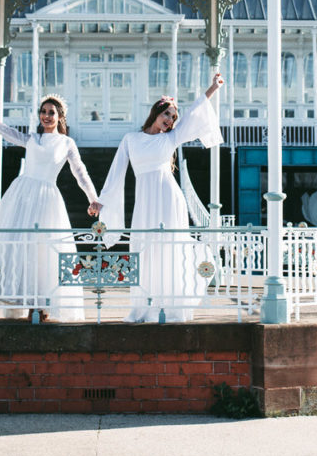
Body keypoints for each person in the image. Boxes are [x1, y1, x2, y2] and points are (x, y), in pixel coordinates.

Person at [96, 71, 224, 323]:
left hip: (168, 198)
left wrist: (212, 89)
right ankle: (144, 307)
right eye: (167, 114)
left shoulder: (172, 138)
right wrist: (100, 201)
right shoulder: (131, 139)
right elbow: (115, 174)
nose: (170, 119)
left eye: (173, 117)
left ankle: (172, 305)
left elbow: (195, 113)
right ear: (157, 111)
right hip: (145, 200)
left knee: (169, 248)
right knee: (145, 249)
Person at [0, 94, 102, 321]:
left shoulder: (66, 143)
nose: (47, 116)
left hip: (46, 199)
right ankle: (20, 296)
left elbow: (79, 172)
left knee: (43, 249)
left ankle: (42, 303)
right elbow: (3, 129)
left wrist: (93, 198)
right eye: (43, 111)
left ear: (60, 116)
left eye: (51, 112)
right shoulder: (32, 138)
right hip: (22, 195)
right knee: (20, 246)